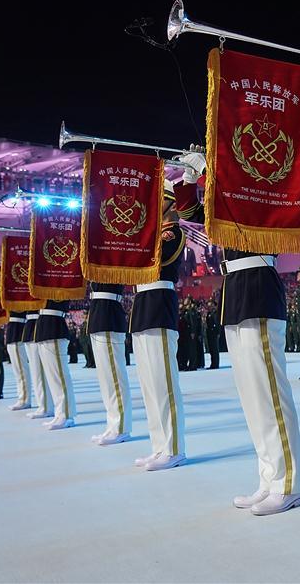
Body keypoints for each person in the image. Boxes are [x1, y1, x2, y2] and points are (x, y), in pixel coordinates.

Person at [176, 147, 300, 516]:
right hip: (236, 288)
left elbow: (234, 204)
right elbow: (196, 213)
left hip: (258, 284)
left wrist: (209, 174)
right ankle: (269, 477)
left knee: (269, 393)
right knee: (252, 395)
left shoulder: (262, 188)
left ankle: (288, 483)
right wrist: (188, 181)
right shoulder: (230, 194)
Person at [130, 180, 187, 471]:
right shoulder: (152, 233)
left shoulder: (172, 233)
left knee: (163, 381)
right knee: (149, 383)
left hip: (159, 299)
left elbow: (157, 258)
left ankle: (173, 448)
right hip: (143, 302)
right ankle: (159, 446)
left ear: (169, 203)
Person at [87, 281, 132, 446]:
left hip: (108, 313)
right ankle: (112, 424)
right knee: (106, 379)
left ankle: (120, 427)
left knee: (114, 377)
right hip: (99, 310)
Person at [35, 300, 77, 430]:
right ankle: (60, 413)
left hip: (54, 325)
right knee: (53, 378)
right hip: (44, 325)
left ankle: (66, 415)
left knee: (59, 377)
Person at [6, 311, 32, 411]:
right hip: (13, 327)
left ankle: (24, 399)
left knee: (21, 369)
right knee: (18, 370)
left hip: (18, 327)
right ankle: (22, 397)